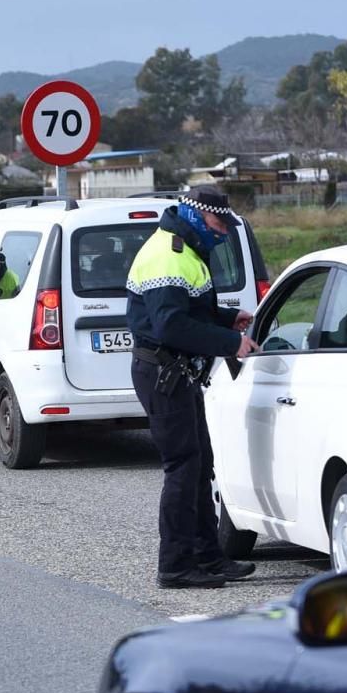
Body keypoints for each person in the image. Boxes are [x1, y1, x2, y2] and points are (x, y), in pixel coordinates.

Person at [126, 186, 261, 589]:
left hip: (175, 371)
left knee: (200, 465)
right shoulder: (169, 253)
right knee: (183, 469)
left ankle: (207, 556)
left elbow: (186, 310)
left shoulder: (183, 247)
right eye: (220, 225)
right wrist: (228, 342)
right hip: (162, 373)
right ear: (198, 217)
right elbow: (170, 324)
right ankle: (175, 565)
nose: (223, 233)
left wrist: (225, 319)